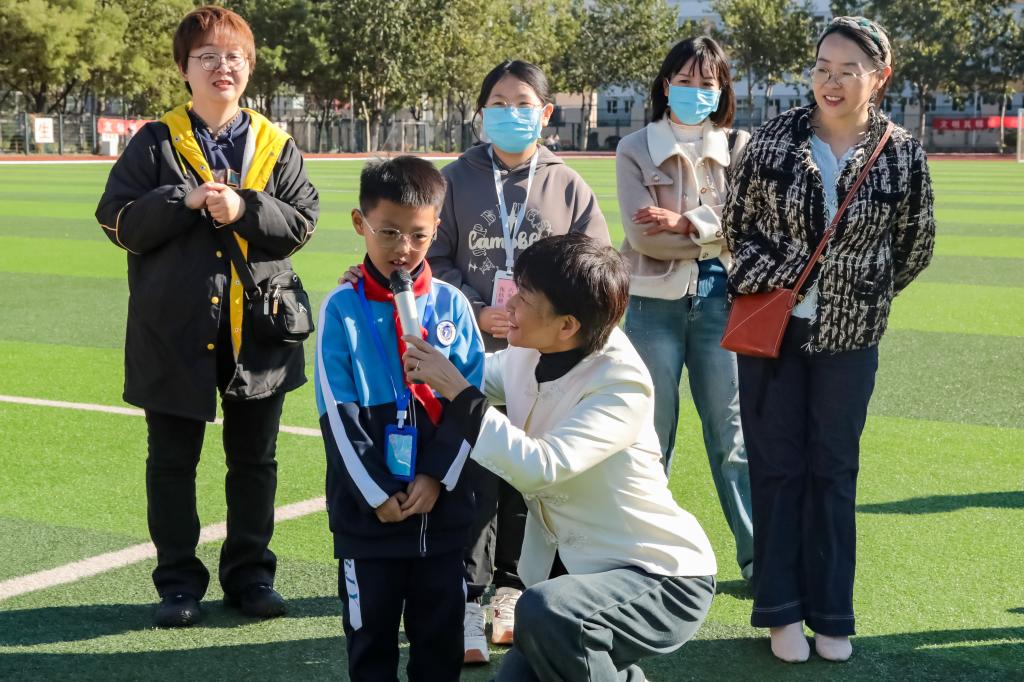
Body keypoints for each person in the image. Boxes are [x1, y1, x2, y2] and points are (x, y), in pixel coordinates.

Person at [402, 234, 717, 681]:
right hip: (570, 587)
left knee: (546, 609)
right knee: (542, 627)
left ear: (567, 325)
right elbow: (466, 372)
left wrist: (457, 390)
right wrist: (383, 294)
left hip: (659, 578)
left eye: (524, 298)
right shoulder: (532, 349)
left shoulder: (621, 383)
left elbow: (539, 468)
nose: (509, 303)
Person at [94, 5, 318, 627]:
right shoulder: (155, 141)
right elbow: (118, 222)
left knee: (255, 462)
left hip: (260, 330)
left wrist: (245, 207)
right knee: (172, 463)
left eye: (235, 56)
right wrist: (184, 199)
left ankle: (251, 576)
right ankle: (177, 584)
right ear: (185, 69)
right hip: (173, 331)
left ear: (250, 67)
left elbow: (301, 224)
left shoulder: (276, 144)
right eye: (208, 56)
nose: (224, 67)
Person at [723, 17, 935, 663]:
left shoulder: (901, 152)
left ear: (880, 77)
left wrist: (859, 290)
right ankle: (781, 611)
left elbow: (915, 245)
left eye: (847, 70)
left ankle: (833, 613)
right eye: (821, 68)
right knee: (777, 468)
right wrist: (790, 272)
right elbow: (736, 226)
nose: (831, 82)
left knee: (834, 471)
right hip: (773, 330)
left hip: (851, 335)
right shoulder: (773, 141)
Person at [428, 59, 611, 663]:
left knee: (520, 481)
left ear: (546, 113)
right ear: (481, 112)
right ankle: (466, 596)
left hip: (542, 362)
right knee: (473, 475)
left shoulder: (568, 185)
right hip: (474, 352)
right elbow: (434, 261)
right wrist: (478, 310)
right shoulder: (454, 180)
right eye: (499, 103)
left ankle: (510, 589)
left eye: (524, 103)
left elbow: (594, 268)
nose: (512, 113)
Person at [316, 157, 486, 682]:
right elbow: (338, 416)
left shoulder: (453, 306)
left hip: (443, 516)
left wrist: (435, 476)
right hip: (369, 521)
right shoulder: (341, 308)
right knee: (371, 645)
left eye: (418, 235)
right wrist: (376, 492)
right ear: (359, 222)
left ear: (437, 229)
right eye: (388, 232)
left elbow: (472, 405)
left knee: (440, 646)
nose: (403, 248)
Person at [616, 36, 754, 583]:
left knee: (733, 437)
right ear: (665, 85)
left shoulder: (739, 146)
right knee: (649, 437)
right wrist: (711, 235)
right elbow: (642, 239)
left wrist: (683, 223)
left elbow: (750, 224)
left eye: (707, 83)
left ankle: (760, 561)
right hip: (652, 306)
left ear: (721, 90)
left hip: (723, 303)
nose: (695, 91)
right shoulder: (634, 148)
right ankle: (646, 559)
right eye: (685, 81)